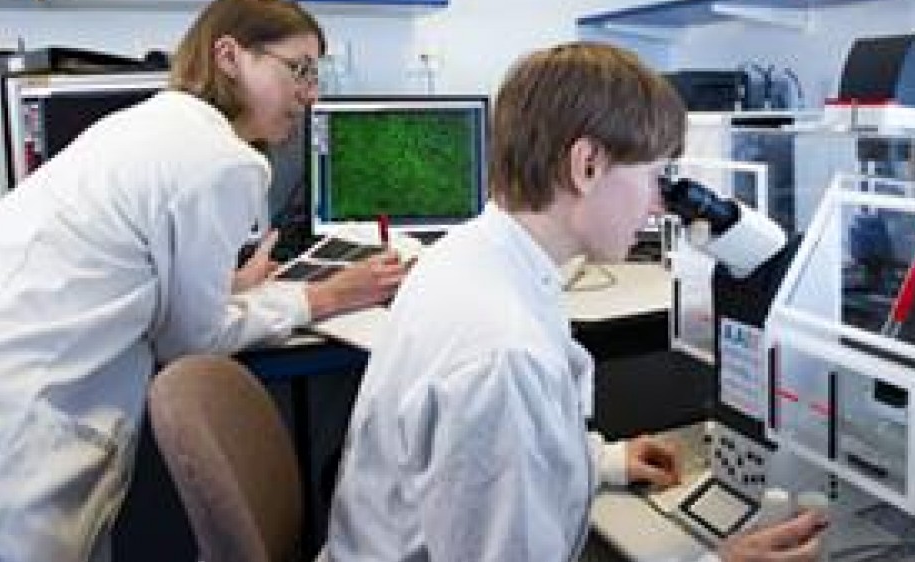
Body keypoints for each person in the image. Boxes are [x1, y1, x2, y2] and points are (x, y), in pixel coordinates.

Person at [321, 41, 826, 562]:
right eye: (655, 179)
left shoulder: (471, 256)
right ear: (586, 165)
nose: (659, 207)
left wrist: (598, 461)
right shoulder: (505, 352)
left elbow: (491, 453)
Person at [0, 0, 406, 560]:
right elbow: (192, 339)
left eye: (318, 74)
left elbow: (128, 264)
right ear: (230, 56)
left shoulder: (152, 123)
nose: (311, 95)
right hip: (33, 420)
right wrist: (328, 295)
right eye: (300, 69)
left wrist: (228, 283)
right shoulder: (223, 160)